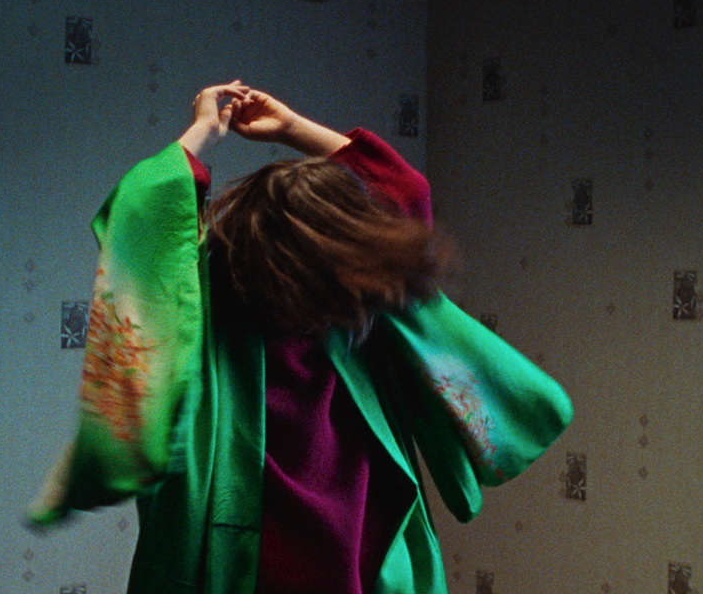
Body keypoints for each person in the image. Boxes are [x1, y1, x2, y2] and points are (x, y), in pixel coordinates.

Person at [29, 81, 573, 594]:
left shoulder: (292, 311)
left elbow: (145, 211)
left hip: (338, 540)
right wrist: (291, 128)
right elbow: (405, 192)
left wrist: (205, 131)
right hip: (277, 541)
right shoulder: (299, 309)